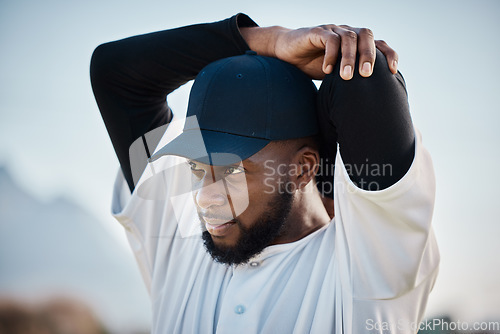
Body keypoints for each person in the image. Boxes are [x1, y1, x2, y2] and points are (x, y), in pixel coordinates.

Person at [90, 13, 439, 333]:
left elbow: (365, 80)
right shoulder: (179, 237)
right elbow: (115, 74)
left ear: (303, 168)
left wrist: (329, 185)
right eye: (197, 167)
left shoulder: (369, 266)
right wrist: (270, 41)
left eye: (231, 171)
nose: (205, 197)